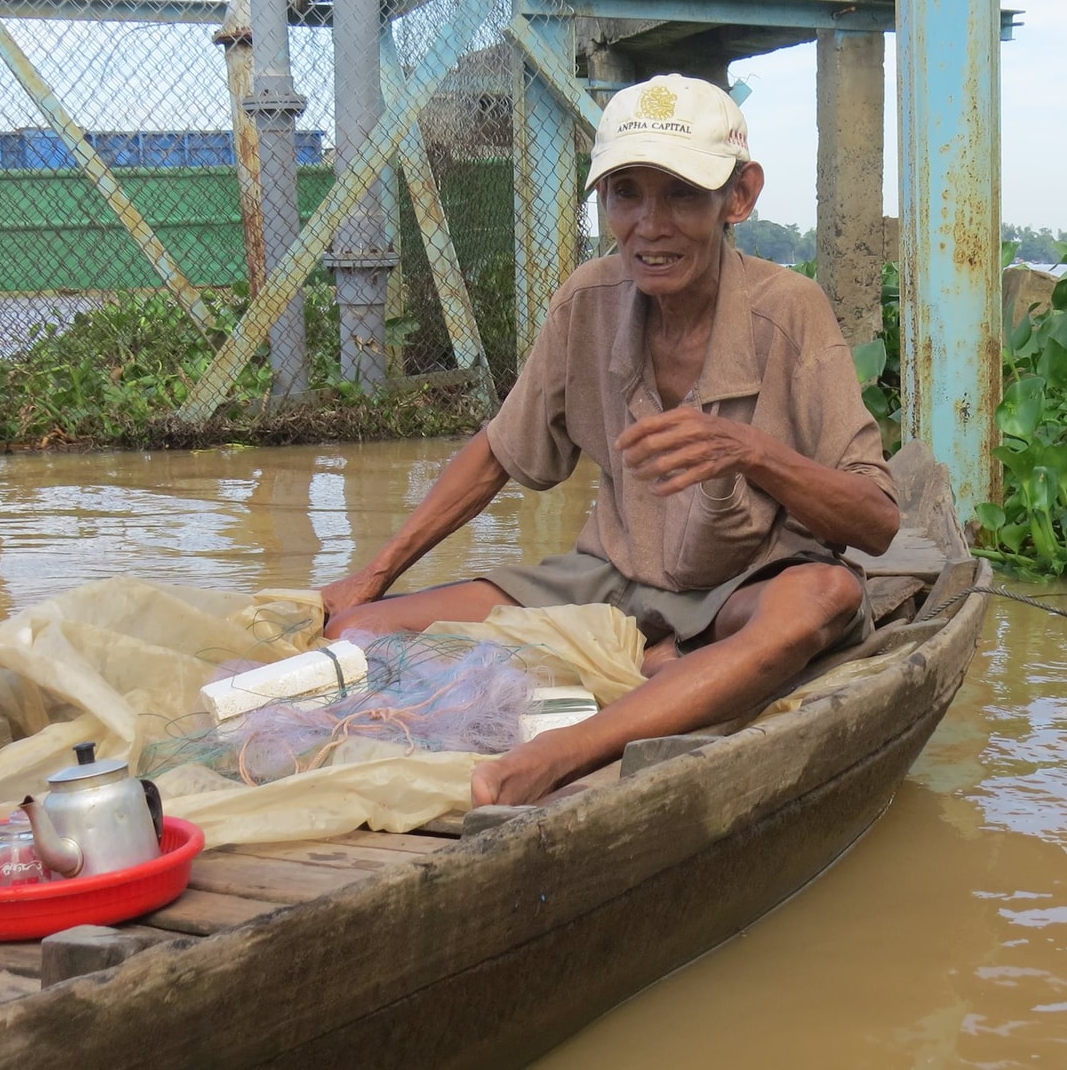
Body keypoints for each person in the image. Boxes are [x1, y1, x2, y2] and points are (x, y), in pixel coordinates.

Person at [319, 73, 899, 807]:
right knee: (359, 632)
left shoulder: (790, 310)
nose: (649, 226)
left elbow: (877, 522)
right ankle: (667, 663)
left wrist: (750, 452)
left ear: (739, 197)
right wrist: (374, 573)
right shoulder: (586, 302)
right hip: (613, 579)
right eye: (627, 193)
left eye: (683, 195)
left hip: (745, 586)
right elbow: (501, 450)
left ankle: (568, 749)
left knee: (824, 593)